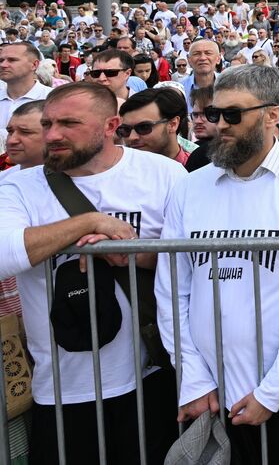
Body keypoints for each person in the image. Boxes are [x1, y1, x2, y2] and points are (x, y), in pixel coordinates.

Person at [157, 64, 279, 463]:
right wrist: (193, 379)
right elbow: (172, 290)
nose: (219, 125)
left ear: (274, 114)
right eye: (213, 114)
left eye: (233, 115)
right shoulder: (190, 187)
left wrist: (273, 391)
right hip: (208, 393)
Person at [0, 82, 185, 464]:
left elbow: (193, 264)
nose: (53, 134)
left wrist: (130, 254)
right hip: (64, 383)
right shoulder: (17, 185)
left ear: (110, 125)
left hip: (153, 371)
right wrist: (90, 222)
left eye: (68, 123)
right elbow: (4, 255)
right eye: (48, 123)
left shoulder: (164, 175)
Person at [118, 86, 190, 165]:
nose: (132, 137)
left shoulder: (197, 169)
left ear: (173, 124)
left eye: (144, 127)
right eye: (125, 130)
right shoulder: (117, 171)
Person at [0, 41, 51, 144]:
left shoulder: (52, 99)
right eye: (1, 60)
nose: (3, 65)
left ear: (34, 64)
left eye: (12, 60)